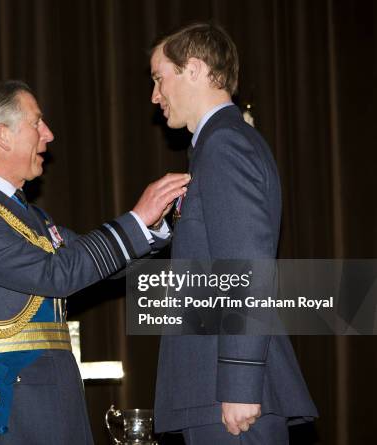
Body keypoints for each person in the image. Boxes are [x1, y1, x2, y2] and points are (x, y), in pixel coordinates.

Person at [0, 79, 190, 444]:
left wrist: (155, 226)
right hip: (11, 411)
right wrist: (134, 219)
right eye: (37, 123)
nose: (48, 135)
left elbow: (96, 265)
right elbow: (58, 274)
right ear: (3, 136)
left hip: (54, 401)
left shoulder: (29, 216)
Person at [149, 23, 318, 444]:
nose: (155, 96)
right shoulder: (221, 142)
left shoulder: (223, 144)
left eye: (158, 78)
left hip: (228, 398)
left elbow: (246, 266)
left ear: (194, 69)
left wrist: (240, 385)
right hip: (215, 388)